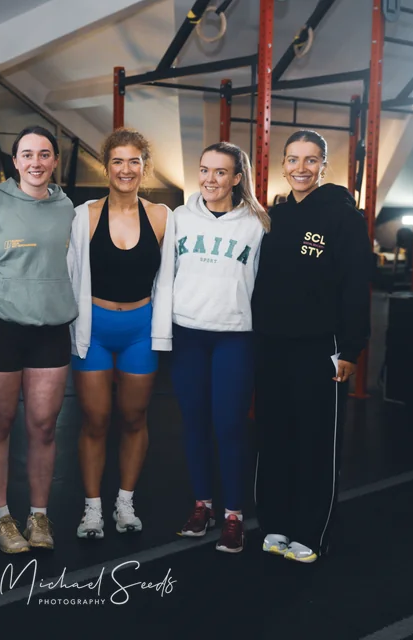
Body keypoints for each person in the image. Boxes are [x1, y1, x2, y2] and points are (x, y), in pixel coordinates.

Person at [252, 130, 372, 563]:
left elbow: (357, 288)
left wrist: (351, 349)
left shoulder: (343, 217)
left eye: (311, 159)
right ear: (282, 164)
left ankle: (310, 532)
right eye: (292, 159)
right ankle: (276, 524)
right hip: (272, 348)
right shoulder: (275, 217)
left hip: (320, 350)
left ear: (324, 166)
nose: (300, 168)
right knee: (275, 439)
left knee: (315, 442)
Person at [0, 125, 77, 553]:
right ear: (14, 162)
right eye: (27, 154)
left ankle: (38, 515)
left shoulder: (69, 207)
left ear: (54, 161)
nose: (36, 162)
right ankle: (1, 518)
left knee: (44, 426)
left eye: (44, 154)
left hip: (51, 331)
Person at [69, 128, 174, 539]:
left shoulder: (163, 216)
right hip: (93, 329)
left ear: (144, 167)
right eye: (117, 161)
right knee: (95, 419)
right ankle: (92, 508)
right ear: (106, 166)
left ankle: (124, 502)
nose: (126, 169)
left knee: (133, 417)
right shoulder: (85, 215)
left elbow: (172, 278)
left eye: (134, 161)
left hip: (139, 330)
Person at [171, 142, 269, 553]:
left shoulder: (258, 223)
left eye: (220, 172)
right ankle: (202, 506)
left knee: (228, 427)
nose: (210, 179)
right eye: (204, 170)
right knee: (193, 425)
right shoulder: (179, 218)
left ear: (237, 178)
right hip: (188, 335)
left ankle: (233, 514)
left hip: (234, 336)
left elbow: (267, 286)